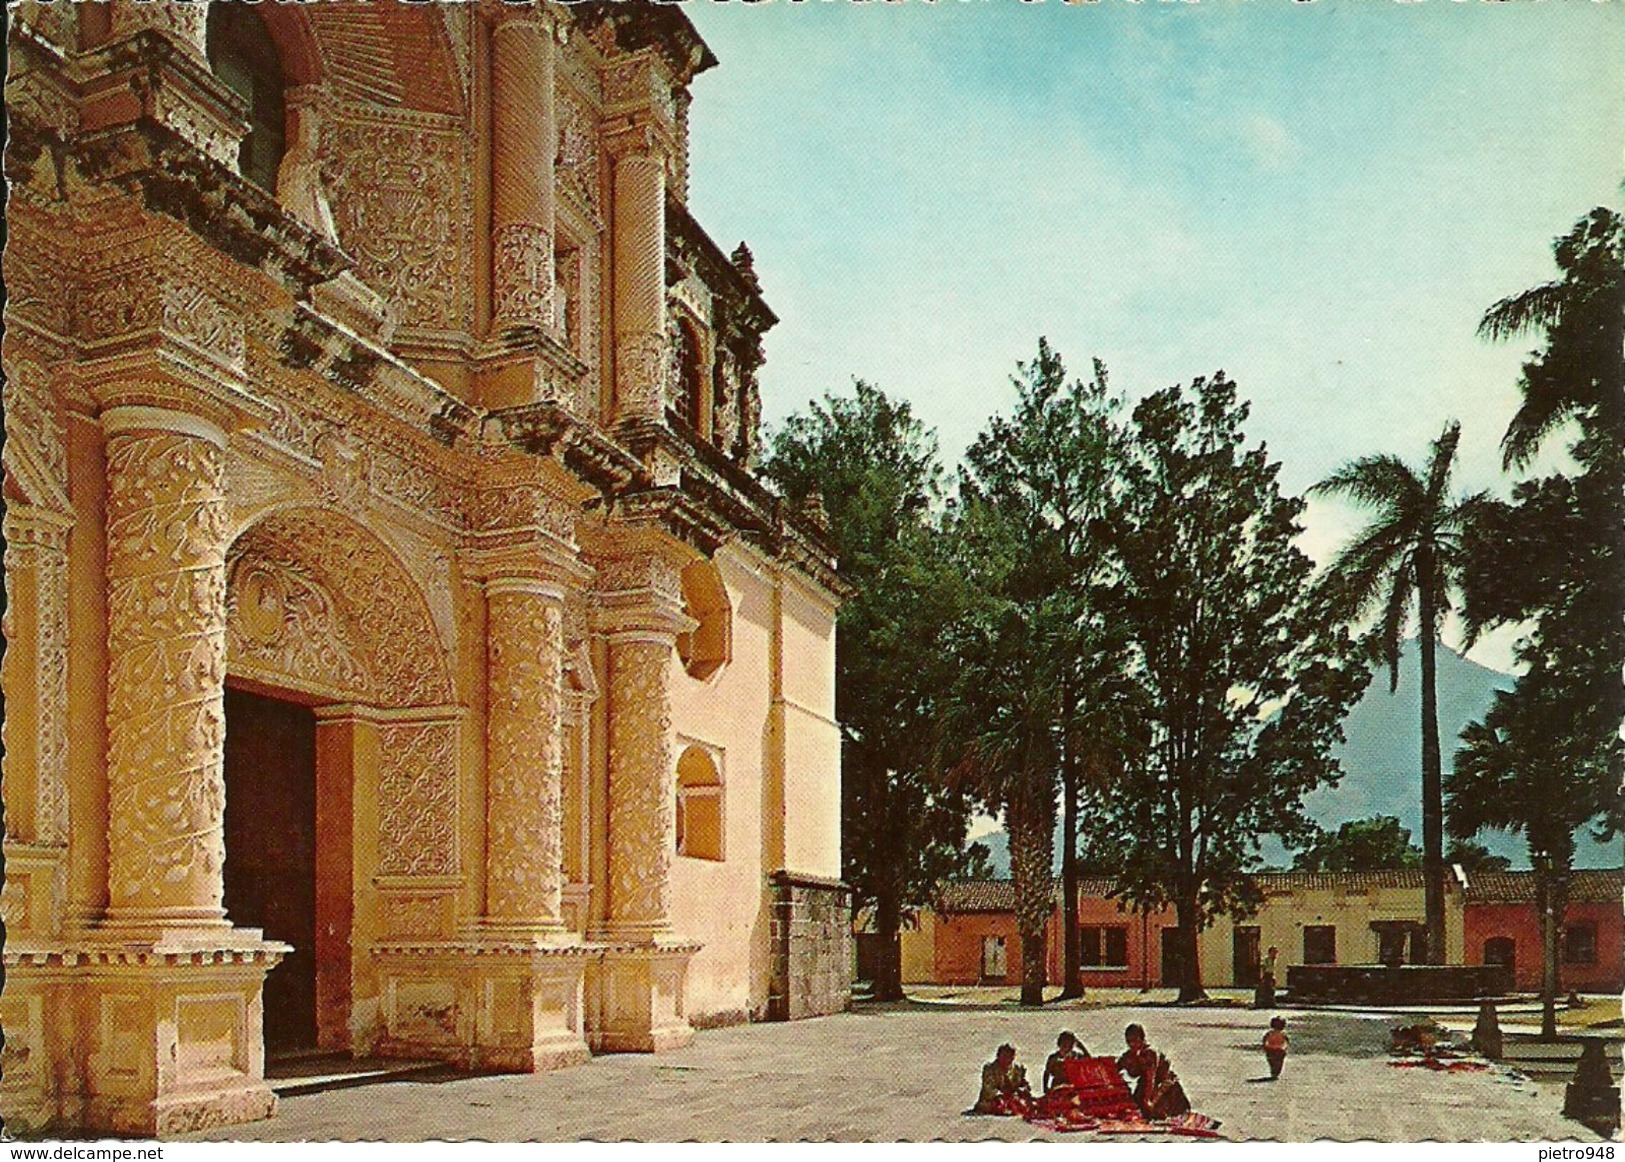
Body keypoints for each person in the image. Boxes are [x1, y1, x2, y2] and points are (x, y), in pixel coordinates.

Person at [973, 1043, 1033, 1115]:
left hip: (1013, 1098)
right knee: (998, 1105)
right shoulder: (989, 1069)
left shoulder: (1018, 1069)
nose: (1008, 1059)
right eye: (1005, 1056)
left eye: (1011, 1056)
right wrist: (1002, 1095)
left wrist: (1022, 1090)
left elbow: (1025, 1085)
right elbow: (989, 1089)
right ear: (998, 1056)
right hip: (993, 1100)